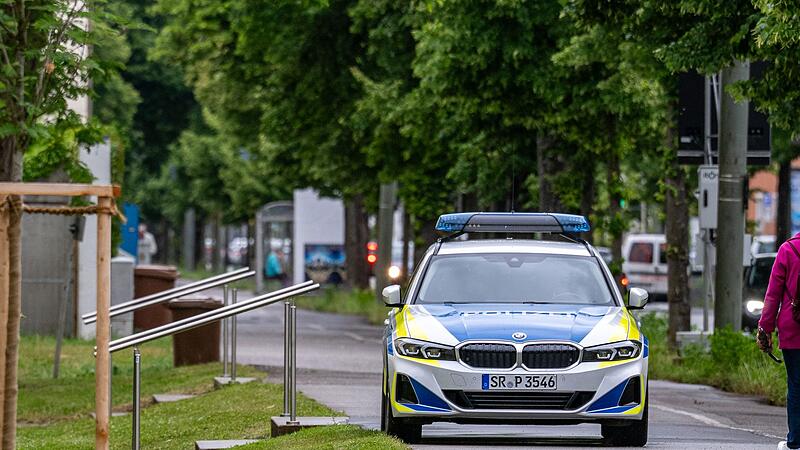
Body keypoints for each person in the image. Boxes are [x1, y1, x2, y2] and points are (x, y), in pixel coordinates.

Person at [758, 235, 800, 450]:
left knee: (796, 385)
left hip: (793, 327)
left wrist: (765, 328)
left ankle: (796, 441)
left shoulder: (788, 249)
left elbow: (773, 295)